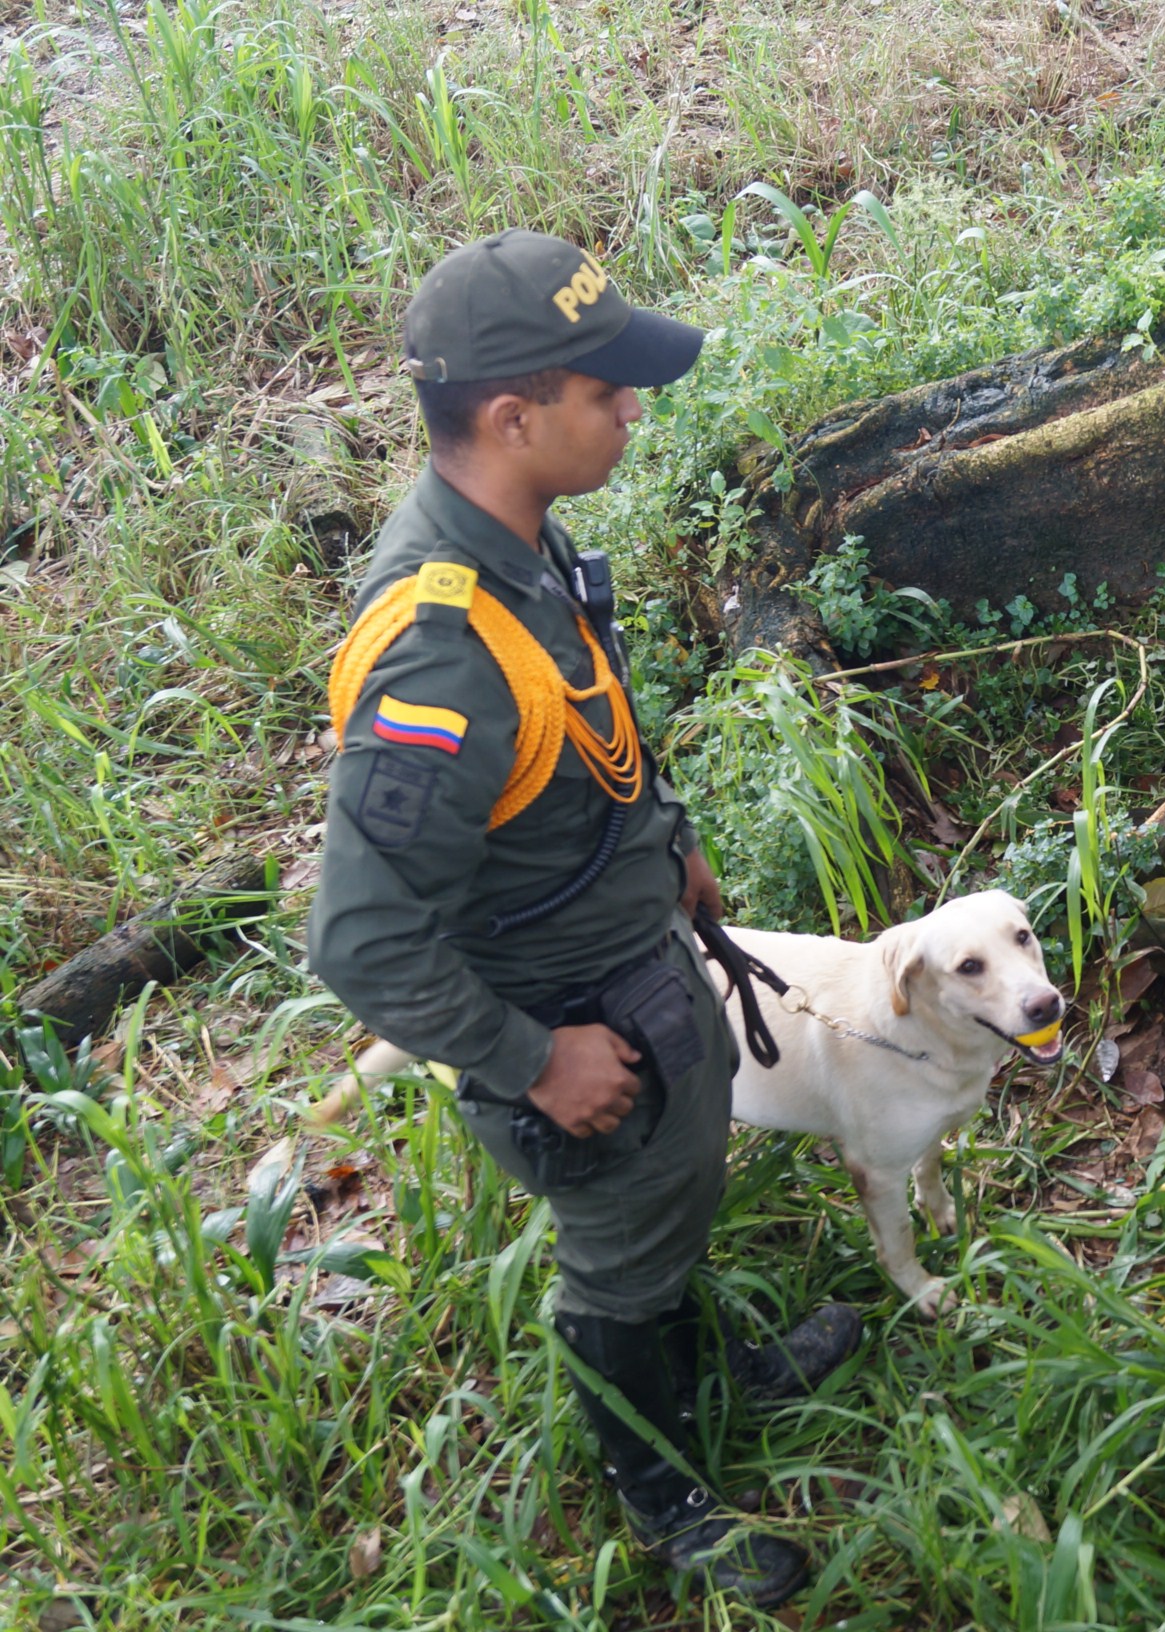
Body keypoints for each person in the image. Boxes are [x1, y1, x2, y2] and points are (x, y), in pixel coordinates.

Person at [308, 230, 857, 1606]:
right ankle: (663, 1495)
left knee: (671, 1206)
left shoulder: (520, 539)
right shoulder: (436, 652)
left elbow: (578, 720)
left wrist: (668, 843)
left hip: (635, 962)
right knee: (618, 1261)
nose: (631, 412)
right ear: (513, 417)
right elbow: (361, 939)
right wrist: (534, 1061)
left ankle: (702, 1369)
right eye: (606, 393)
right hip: (575, 1026)